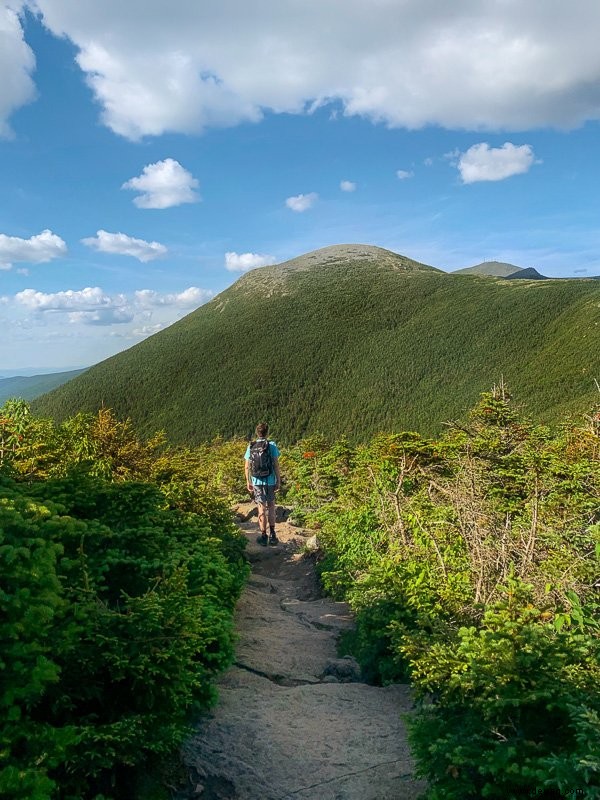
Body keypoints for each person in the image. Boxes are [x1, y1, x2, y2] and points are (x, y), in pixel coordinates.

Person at [244, 422, 281, 546]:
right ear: (267, 433)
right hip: (270, 480)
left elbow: (247, 466)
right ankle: (273, 535)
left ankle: (263, 536)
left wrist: (248, 481)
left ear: (257, 433)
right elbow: (276, 464)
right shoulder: (272, 445)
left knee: (261, 508)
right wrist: (278, 480)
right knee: (271, 506)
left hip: (256, 481)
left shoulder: (251, 446)